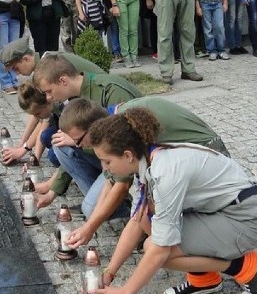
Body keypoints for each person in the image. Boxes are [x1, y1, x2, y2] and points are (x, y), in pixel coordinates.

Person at [83, 108, 257, 294]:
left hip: (244, 220)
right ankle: (205, 279)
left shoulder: (165, 172)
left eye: (107, 161)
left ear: (127, 155)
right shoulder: (148, 158)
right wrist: (110, 272)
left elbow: (160, 250)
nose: (104, 168)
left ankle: (246, 266)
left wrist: (124, 293)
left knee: (155, 248)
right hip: (218, 211)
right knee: (145, 218)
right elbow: (136, 220)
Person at [56, 96, 230, 249]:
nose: (79, 146)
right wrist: (90, 224)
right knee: (137, 211)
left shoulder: (122, 134)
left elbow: (121, 186)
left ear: (94, 127)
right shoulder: (119, 120)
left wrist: (90, 227)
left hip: (213, 163)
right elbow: (112, 179)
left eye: (79, 141)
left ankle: (189, 245)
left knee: (151, 222)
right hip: (196, 160)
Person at [32, 54, 141, 218]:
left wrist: (76, 142)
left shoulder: (109, 91)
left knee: (91, 210)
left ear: (63, 81)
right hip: (109, 160)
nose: (48, 98)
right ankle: (108, 201)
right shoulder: (75, 98)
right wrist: (52, 192)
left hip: (132, 160)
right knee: (60, 145)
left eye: (49, 91)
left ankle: (128, 210)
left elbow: (125, 149)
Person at [0, 37, 104, 165]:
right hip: (81, 105)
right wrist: (22, 144)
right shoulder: (42, 65)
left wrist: (26, 150)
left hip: (97, 101)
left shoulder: (46, 68)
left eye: (16, 68)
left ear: (26, 59)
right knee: (48, 137)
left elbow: (44, 115)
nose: (17, 74)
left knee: (54, 153)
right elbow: (38, 114)